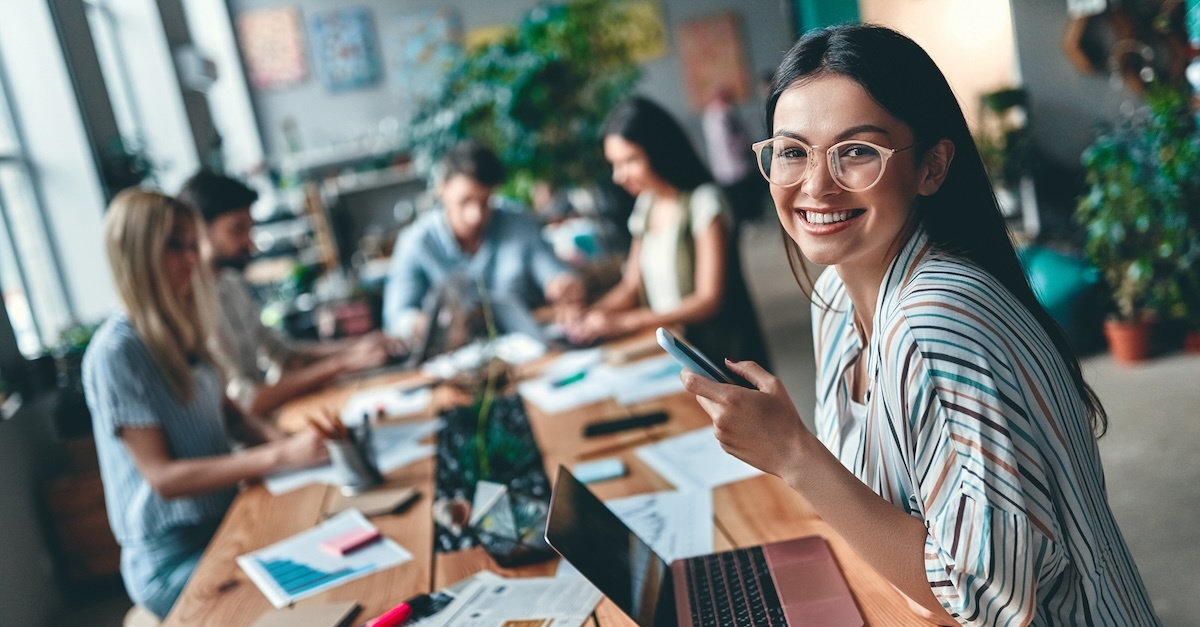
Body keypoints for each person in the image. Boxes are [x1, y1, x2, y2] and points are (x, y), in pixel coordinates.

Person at [683, 24, 1160, 626]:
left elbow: (985, 599)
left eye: (857, 151)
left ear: (932, 166)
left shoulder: (936, 318)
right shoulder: (833, 296)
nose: (816, 184)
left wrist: (795, 455)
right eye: (792, 151)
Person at [82, 189, 331, 619]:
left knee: (324, 552)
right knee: (304, 594)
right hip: (171, 559)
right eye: (174, 244)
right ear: (139, 253)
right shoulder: (116, 351)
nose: (192, 258)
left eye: (190, 243)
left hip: (223, 525)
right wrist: (279, 454)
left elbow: (233, 419)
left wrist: (290, 444)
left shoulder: (186, 325)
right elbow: (163, 478)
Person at [566, 96, 770, 368]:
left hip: (718, 356)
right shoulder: (646, 204)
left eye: (629, 160)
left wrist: (625, 322)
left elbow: (708, 299)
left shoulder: (705, 202)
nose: (618, 176)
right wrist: (590, 315)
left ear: (659, 150)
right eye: (614, 163)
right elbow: (631, 285)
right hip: (673, 354)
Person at [178, 171, 394, 418]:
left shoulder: (231, 282)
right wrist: (341, 364)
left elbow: (284, 354)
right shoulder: (191, 305)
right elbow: (246, 401)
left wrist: (358, 347)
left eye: (250, 229)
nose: (251, 243)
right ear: (198, 230)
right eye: (237, 229)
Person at [381, 140, 584, 340]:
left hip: (526, 348)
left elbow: (553, 273)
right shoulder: (415, 242)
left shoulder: (517, 222)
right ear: (441, 189)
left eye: (485, 202)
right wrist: (420, 324)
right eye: (465, 201)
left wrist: (563, 286)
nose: (475, 216)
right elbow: (396, 317)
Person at [701, 87, 768, 227]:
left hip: (723, 168)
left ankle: (748, 220)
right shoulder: (725, 113)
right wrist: (748, 145)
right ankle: (752, 219)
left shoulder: (709, 116)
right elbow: (732, 139)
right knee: (746, 196)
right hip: (737, 165)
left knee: (737, 198)